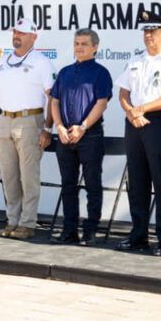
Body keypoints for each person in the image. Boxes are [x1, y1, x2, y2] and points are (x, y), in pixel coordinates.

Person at [115, 10, 161, 256]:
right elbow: (123, 93)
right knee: (136, 182)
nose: (148, 36)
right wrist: (131, 112)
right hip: (134, 122)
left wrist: (142, 109)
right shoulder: (135, 59)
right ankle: (138, 236)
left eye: (153, 31)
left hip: (159, 122)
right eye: (145, 31)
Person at [0, 18, 55, 240]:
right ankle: (13, 220)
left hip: (30, 121)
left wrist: (48, 128)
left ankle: (28, 223)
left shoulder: (42, 62)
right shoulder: (4, 61)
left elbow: (52, 97)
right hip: (5, 120)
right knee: (9, 175)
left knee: (28, 176)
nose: (16, 36)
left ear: (34, 37)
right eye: (15, 32)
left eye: (22, 32)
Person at [50, 28, 112, 245]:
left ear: (95, 47)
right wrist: (58, 126)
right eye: (76, 43)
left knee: (92, 184)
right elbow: (54, 101)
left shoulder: (100, 73)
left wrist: (83, 126)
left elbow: (101, 102)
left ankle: (91, 230)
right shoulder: (65, 72)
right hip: (65, 136)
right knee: (68, 185)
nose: (79, 47)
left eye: (84, 44)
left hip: (90, 136)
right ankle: (69, 230)